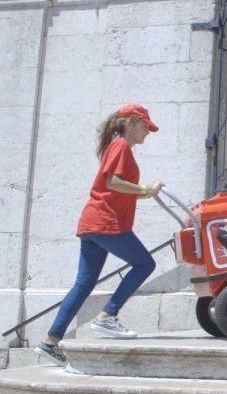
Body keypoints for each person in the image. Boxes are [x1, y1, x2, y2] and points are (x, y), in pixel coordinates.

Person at [34, 104, 164, 367]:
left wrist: (143, 191)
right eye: (145, 126)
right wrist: (145, 189)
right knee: (145, 264)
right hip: (106, 223)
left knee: (83, 284)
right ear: (131, 122)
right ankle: (107, 316)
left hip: (92, 223)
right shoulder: (121, 146)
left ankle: (50, 342)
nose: (148, 132)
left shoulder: (118, 146)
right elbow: (112, 182)